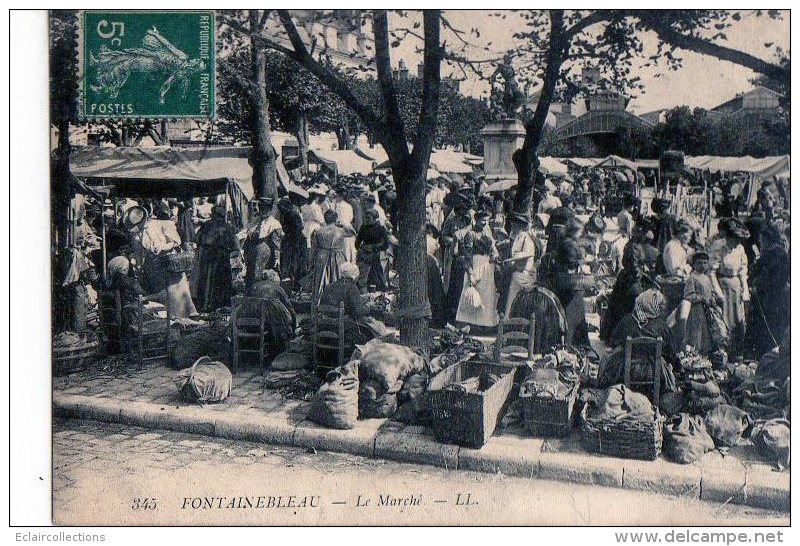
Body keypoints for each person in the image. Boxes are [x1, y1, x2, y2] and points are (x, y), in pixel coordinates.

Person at [601, 289, 678, 401]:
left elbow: (612, 344)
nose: (661, 308)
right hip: (653, 372)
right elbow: (671, 354)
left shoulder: (627, 320)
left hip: (627, 371)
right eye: (660, 306)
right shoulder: (662, 326)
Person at [127, 202, 198, 318]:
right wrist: (139, 268)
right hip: (153, 264)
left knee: (175, 290)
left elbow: (176, 241)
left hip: (170, 261)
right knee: (159, 292)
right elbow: (139, 254)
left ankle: (183, 315)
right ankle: (163, 317)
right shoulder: (136, 234)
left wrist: (163, 247)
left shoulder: (162, 224)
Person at [747, 223, 790, 357]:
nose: (760, 243)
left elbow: (757, 274)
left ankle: (764, 352)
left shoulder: (768, 255)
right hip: (780, 294)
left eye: (762, 240)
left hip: (768, 296)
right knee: (777, 323)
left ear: (766, 240)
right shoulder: (782, 253)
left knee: (765, 323)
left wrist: (755, 284)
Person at [709, 217, 751, 352]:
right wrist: (718, 293)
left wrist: (744, 290)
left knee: (738, 319)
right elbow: (711, 272)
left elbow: (743, 270)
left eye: (739, 241)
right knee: (723, 320)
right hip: (723, 286)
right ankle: (723, 351)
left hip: (736, 287)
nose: (736, 244)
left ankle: (737, 351)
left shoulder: (739, 249)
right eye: (734, 240)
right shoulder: (718, 247)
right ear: (727, 237)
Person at [319, 263, 384, 345]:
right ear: (354, 276)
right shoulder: (352, 287)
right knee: (376, 328)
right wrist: (369, 307)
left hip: (325, 326)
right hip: (341, 329)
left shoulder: (329, 286)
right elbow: (358, 311)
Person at [241, 269, 296, 365]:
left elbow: (244, 302)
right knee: (281, 324)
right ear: (273, 278)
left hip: (250, 323)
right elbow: (289, 307)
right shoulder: (277, 287)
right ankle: (275, 356)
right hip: (268, 323)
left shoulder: (254, 286)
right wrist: (294, 324)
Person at [674, 251, 725, 354]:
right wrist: (701, 298)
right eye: (699, 263)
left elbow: (710, 292)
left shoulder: (706, 278)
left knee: (708, 334)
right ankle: (695, 355)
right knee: (697, 334)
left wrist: (712, 298)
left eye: (705, 263)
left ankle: (706, 356)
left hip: (707, 310)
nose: (702, 266)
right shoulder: (692, 278)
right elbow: (688, 295)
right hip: (696, 310)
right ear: (694, 264)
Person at [456, 210, 499, 329]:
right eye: (482, 220)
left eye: (486, 220)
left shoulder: (487, 234)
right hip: (475, 264)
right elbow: (467, 254)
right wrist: (470, 271)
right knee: (473, 293)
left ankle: (485, 324)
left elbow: (493, 248)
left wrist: (494, 255)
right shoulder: (471, 234)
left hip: (487, 266)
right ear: (476, 220)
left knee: (487, 295)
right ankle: (471, 324)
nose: (485, 223)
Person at [600, 242, 652, 343]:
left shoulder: (624, 273)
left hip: (626, 282)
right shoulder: (635, 273)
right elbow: (634, 267)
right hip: (631, 288)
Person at [194, 205, 240, 312]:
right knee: (221, 280)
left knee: (207, 279)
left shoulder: (207, 225)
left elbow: (197, 239)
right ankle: (220, 305)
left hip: (208, 256)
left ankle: (205, 305)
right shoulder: (227, 227)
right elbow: (235, 246)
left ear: (214, 214)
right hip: (222, 257)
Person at [550, 238, 594, 347]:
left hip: (569, 292)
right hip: (570, 293)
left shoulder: (566, 245)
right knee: (573, 321)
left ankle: (570, 344)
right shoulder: (569, 246)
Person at [243, 197, 283, 290]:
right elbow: (248, 234)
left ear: (269, 209)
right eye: (261, 208)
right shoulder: (255, 220)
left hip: (263, 251)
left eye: (265, 208)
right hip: (252, 250)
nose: (262, 211)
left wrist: (277, 257)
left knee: (260, 273)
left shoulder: (274, 223)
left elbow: (276, 242)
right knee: (250, 273)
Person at [310, 209, 349, 304]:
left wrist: (311, 262)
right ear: (336, 219)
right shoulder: (341, 230)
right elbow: (353, 232)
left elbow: (314, 248)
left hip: (322, 256)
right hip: (337, 257)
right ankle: (337, 303)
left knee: (321, 279)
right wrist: (343, 225)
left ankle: (318, 303)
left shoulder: (318, 231)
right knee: (336, 278)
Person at [441, 199, 473, 314]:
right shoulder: (450, 221)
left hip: (464, 253)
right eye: (461, 209)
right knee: (450, 281)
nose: (462, 212)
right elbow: (444, 235)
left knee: (462, 281)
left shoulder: (468, 221)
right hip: (452, 253)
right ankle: (450, 308)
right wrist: (453, 240)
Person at [355, 208, 390, 291]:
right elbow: (357, 242)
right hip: (364, 256)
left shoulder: (380, 229)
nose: (367, 220)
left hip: (375, 255)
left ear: (374, 218)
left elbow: (386, 245)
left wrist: (375, 247)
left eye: (369, 218)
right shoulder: (363, 228)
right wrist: (360, 249)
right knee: (362, 276)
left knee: (376, 275)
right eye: (366, 217)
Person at [277, 197, 306, 288]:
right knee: (290, 261)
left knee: (294, 262)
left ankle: (295, 282)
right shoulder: (288, 213)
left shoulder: (292, 214)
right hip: (291, 239)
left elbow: (298, 228)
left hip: (295, 241)